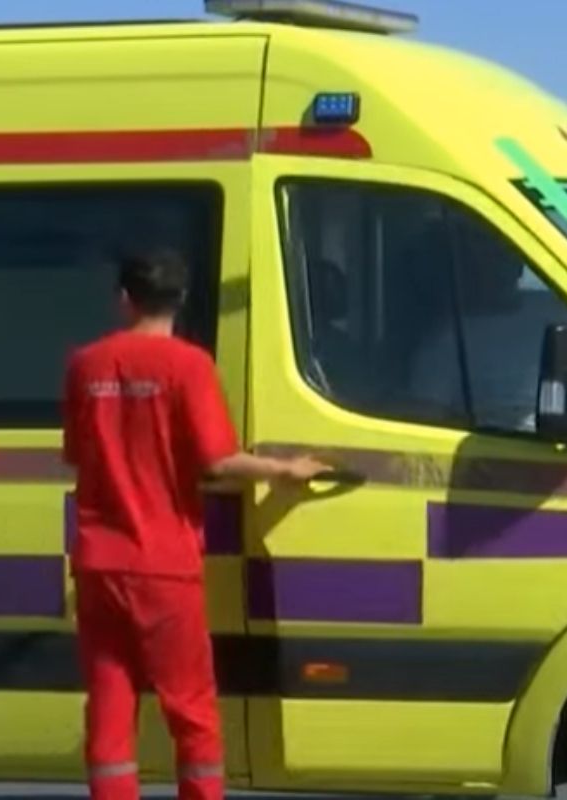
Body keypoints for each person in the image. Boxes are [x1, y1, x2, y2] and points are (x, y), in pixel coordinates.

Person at [61, 249, 332, 800]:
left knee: (110, 704)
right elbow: (217, 462)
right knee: (190, 709)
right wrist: (285, 469)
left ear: (125, 299)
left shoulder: (85, 365)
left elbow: (77, 455)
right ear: (180, 301)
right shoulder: (190, 366)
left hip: (99, 562)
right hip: (164, 564)